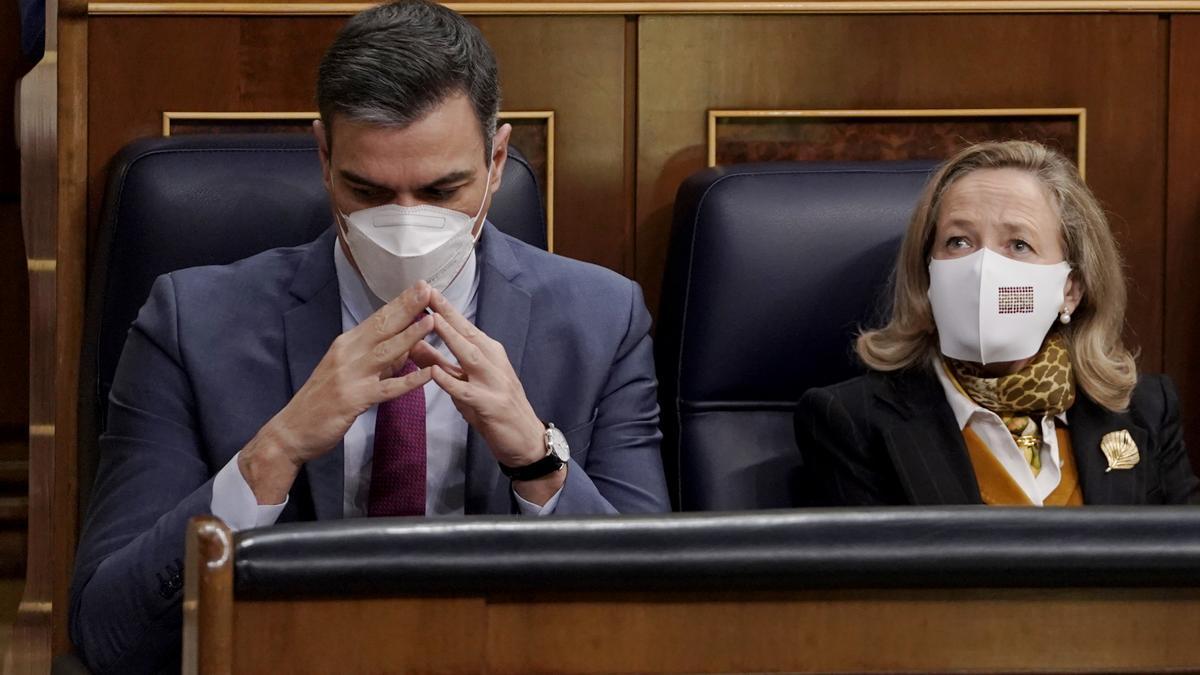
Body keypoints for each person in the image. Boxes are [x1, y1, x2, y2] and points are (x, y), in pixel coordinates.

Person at [69, 2, 670, 671]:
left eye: (444, 190)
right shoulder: (191, 322)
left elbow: (653, 620)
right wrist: (274, 450)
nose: (406, 224)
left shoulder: (601, 320)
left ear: (497, 162)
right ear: (324, 158)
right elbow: (109, 633)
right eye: (368, 189)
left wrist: (537, 459)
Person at [795, 140, 1199, 507]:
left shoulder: (1143, 409)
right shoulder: (852, 421)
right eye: (959, 242)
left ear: (1070, 289)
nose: (983, 269)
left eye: (1018, 244)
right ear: (927, 275)